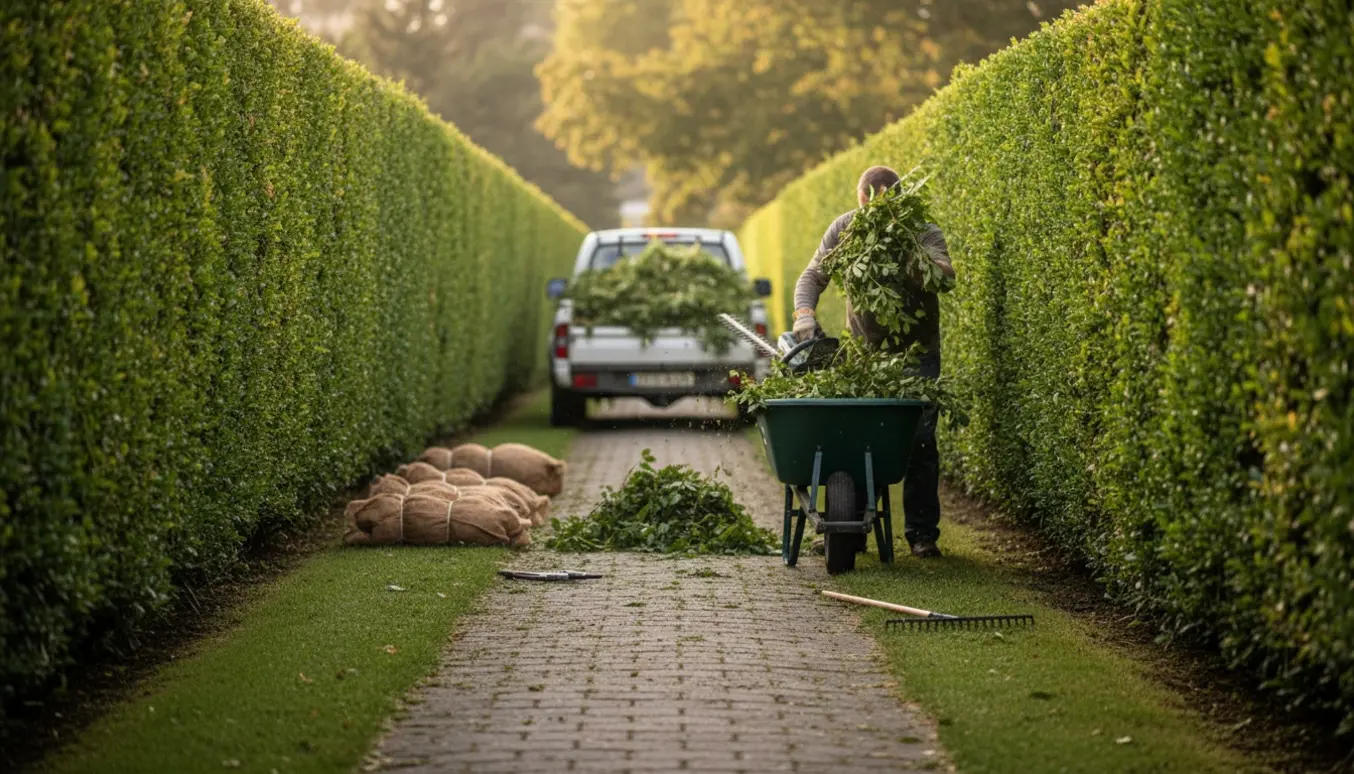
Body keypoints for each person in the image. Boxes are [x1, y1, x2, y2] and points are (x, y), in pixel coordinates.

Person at [792, 165, 954, 559]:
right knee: (857, 437)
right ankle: (852, 528)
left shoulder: (922, 230)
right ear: (861, 198)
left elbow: (946, 277)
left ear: (898, 198)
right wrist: (804, 314)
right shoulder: (846, 228)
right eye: (871, 203)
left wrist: (917, 255)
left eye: (887, 202)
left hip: (917, 354)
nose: (877, 209)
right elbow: (812, 275)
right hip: (866, 354)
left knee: (918, 439)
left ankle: (921, 534)